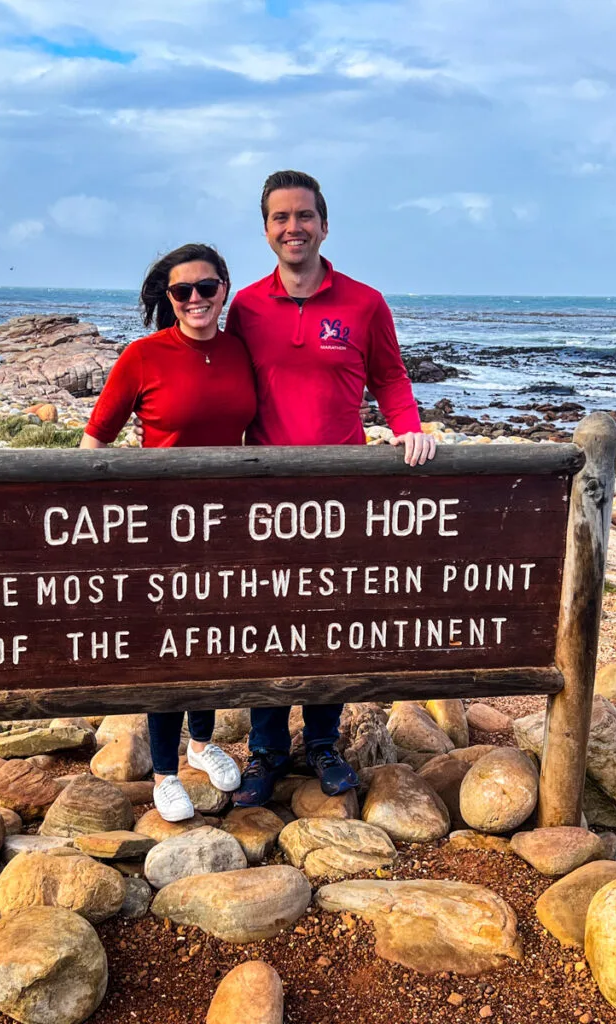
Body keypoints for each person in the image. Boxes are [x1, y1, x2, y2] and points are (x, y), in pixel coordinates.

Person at [226, 169, 436, 808]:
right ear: (266, 231)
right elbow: (222, 384)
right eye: (280, 218)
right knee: (265, 620)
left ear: (324, 223)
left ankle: (321, 742)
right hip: (264, 492)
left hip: (342, 491)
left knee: (329, 617)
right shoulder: (246, 307)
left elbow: (391, 378)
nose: (293, 228)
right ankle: (264, 751)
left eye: (304, 216)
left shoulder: (364, 302)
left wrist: (408, 429)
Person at [80, 243, 253, 821]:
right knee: (168, 649)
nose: (197, 299)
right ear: (170, 298)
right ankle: (162, 770)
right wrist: (103, 515)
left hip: (228, 524)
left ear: (224, 288)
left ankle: (201, 745)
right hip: (161, 527)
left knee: (211, 639)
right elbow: (96, 437)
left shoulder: (239, 352)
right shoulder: (144, 355)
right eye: (184, 291)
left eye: (207, 287)